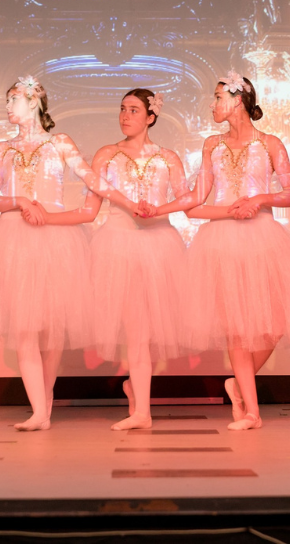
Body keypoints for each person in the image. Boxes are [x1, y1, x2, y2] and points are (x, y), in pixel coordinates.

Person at [0, 76, 146, 431]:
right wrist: (20, 200)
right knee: (25, 329)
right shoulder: (1, 148)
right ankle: (39, 412)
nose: (7, 106)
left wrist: (128, 203)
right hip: (15, 238)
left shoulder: (59, 142)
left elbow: (92, 180)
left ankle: (43, 405)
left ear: (33, 101)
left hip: (56, 239)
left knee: (52, 334)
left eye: (14, 99)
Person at [141, 71, 290, 431]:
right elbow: (196, 198)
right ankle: (252, 412)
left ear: (238, 101)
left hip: (262, 240)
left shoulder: (270, 143)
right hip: (221, 241)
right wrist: (158, 209)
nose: (213, 104)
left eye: (218, 98)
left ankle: (238, 384)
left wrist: (259, 199)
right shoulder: (212, 145)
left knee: (275, 325)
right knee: (236, 329)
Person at [28, 88, 188, 430]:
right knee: (136, 330)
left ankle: (141, 408)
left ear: (151, 117)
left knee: (144, 332)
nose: (125, 116)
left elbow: (186, 199)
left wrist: (159, 209)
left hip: (159, 248)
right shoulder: (107, 154)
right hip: (117, 248)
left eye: (134, 110)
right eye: (122, 109)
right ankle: (141, 409)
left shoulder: (168, 158)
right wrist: (46, 217)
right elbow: (89, 211)